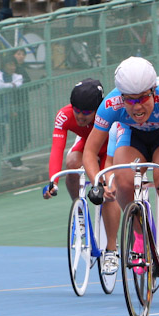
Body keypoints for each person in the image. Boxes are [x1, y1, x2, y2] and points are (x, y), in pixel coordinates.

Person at [83, 57, 159, 282]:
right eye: (130, 101)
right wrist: (96, 183)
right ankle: (138, 235)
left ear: (153, 91)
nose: (137, 107)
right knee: (123, 180)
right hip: (133, 137)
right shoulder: (111, 105)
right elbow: (90, 152)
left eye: (142, 98)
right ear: (121, 97)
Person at [43, 79, 120, 274]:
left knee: (107, 190)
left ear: (98, 109)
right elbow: (57, 149)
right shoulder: (64, 115)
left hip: (111, 149)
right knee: (71, 164)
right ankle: (80, 213)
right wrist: (53, 180)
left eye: (86, 112)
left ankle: (111, 249)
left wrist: (102, 180)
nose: (80, 116)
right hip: (89, 146)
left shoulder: (109, 115)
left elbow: (110, 154)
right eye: (76, 110)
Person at [0, 55, 28, 171]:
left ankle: (12, 159)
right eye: (9, 64)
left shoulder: (18, 75)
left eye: (14, 65)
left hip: (12, 111)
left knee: (17, 135)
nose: (12, 67)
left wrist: (9, 86)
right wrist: (11, 86)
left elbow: (18, 83)